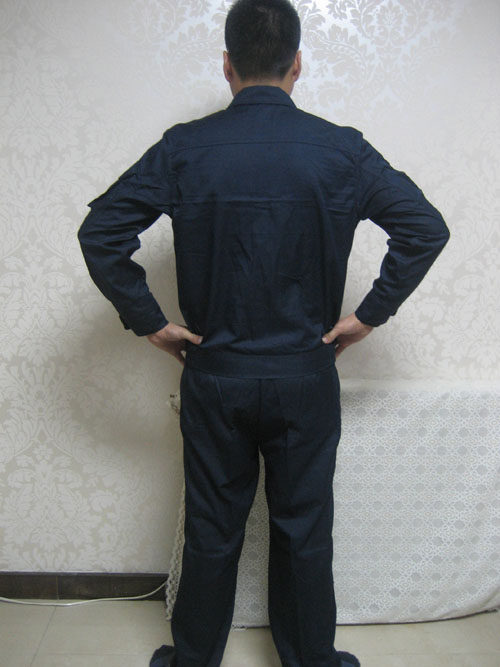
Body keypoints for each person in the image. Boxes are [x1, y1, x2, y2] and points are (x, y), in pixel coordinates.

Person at [77, 1, 450, 665]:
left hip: (216, 375)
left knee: (211, 529)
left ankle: (193, 661)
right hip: (306, 377)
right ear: (297, 64)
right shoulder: (342, 150)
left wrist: (152, 323)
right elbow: (424, 227)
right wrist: (368, 316)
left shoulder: (184, 149)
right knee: (304, 531)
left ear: (227, 65)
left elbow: (101, 230)